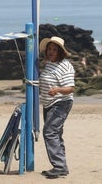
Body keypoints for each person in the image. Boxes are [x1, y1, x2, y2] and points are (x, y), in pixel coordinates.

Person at [39, 36, 75, 178]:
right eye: (49, 49)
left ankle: (59, 166)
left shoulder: (65, 66)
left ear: (60, 52)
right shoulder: (49, 64)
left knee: (50, 132)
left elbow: (71, 88)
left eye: (55, 50)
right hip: (49, 104)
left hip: (61, 103)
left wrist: (57, 90)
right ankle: (62, 166)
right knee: (56, 134)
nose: (51, 52)